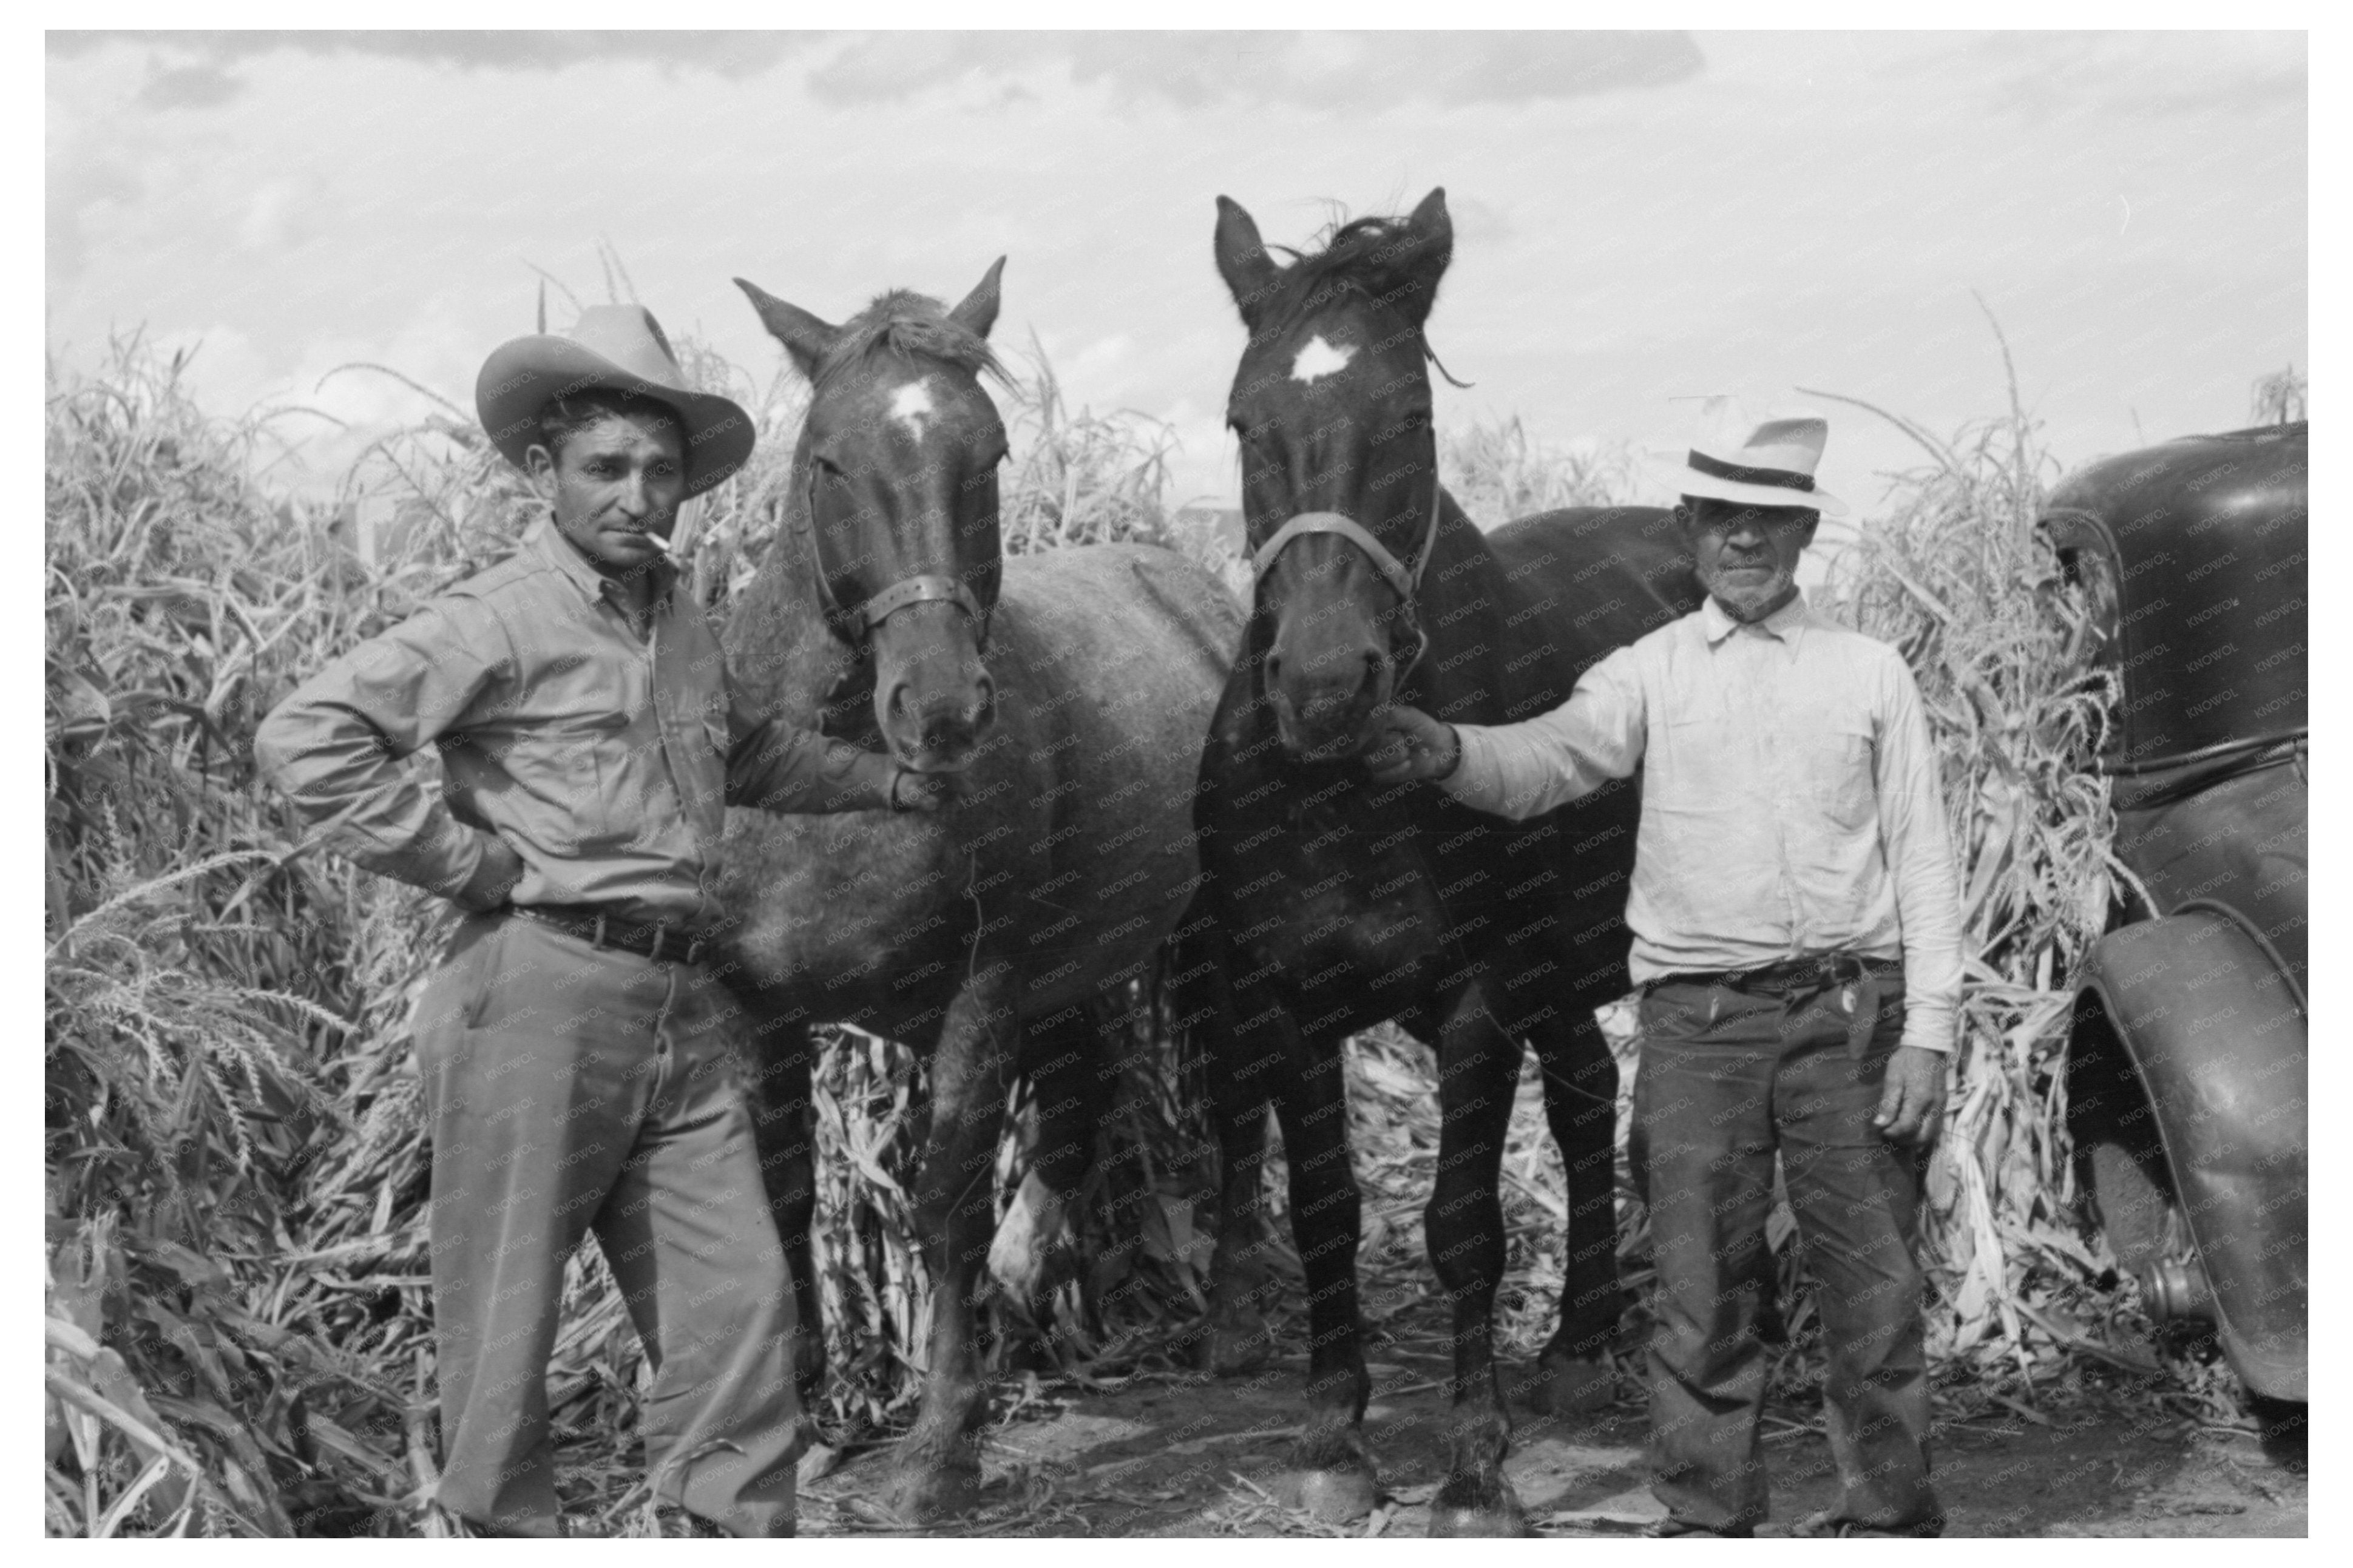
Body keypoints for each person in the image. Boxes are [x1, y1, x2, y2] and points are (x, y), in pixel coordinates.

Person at [256, 304, 944, 1538]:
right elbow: (307, 734)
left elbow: (753, 748)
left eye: (660, 470)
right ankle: (498, 1531)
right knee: (505, 1315)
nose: (638, 494)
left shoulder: (679, 619)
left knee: (738, 1306)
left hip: (682, 1007)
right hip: (538, 993)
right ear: (544, 474)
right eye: (606, 468)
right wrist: (466, 863)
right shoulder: (502, 615)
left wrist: (890, 784)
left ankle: (727, 1529)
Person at [1366, 397, 1962, 1538]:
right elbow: (1547, 760)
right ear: (1689, 531)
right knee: (1698, 1291)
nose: (1744, 541)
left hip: (1850, 1017)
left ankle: (1888, 1521)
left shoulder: (1868, 675)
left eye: (1768, 520)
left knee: (1874, 1291)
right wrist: (1444, 752)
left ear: (1804, 535)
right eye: (1721, 518)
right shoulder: (1646, 672)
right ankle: (1704, 1522)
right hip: (1698, 1026)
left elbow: (1924, 861)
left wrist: (1928, 1031)